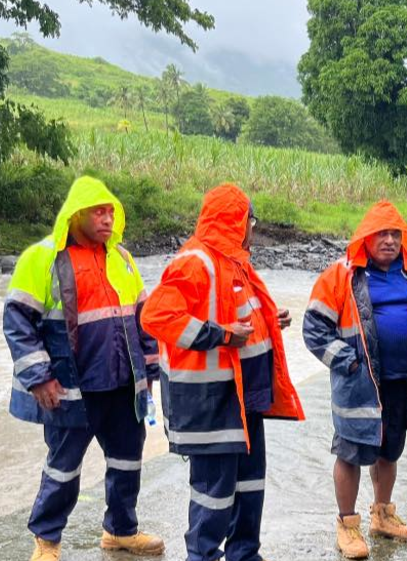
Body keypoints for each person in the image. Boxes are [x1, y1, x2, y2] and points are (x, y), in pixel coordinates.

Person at [141, 183, 304, 561]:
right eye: (251, 220)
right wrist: (222, 335)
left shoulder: (235, 263)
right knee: (213, 495)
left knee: (249, 486)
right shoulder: (196, 262)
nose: (253, 228)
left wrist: (268, 320)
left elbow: (236, 318)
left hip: (244, 399)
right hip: (210, 403)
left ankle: (245, 555)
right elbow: (157, 316)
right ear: (237, 221)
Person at [3, 176, 163, 561]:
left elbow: (144, 317)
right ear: (76, 215)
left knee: (127, 462)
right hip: (73, 390)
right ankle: (46, 542)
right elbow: (17, 321)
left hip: (122, 387)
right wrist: (39, 378)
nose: (107, 219)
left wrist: (149, 373)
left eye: (111, 212)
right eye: (98, 211)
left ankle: (121, 532)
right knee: (63, 469)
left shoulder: (121, 258)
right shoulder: (43, 258)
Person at [303, 200, 407, 559]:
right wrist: (347, 362)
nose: (391, 240)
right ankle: (347, 526)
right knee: (350, 450)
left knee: (390, 449)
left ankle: (382, 516)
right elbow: (314, 328)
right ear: (366, 236)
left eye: (396, 234)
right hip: (359, 383)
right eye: (383, 233)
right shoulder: (341, 275)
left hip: (401, 382)